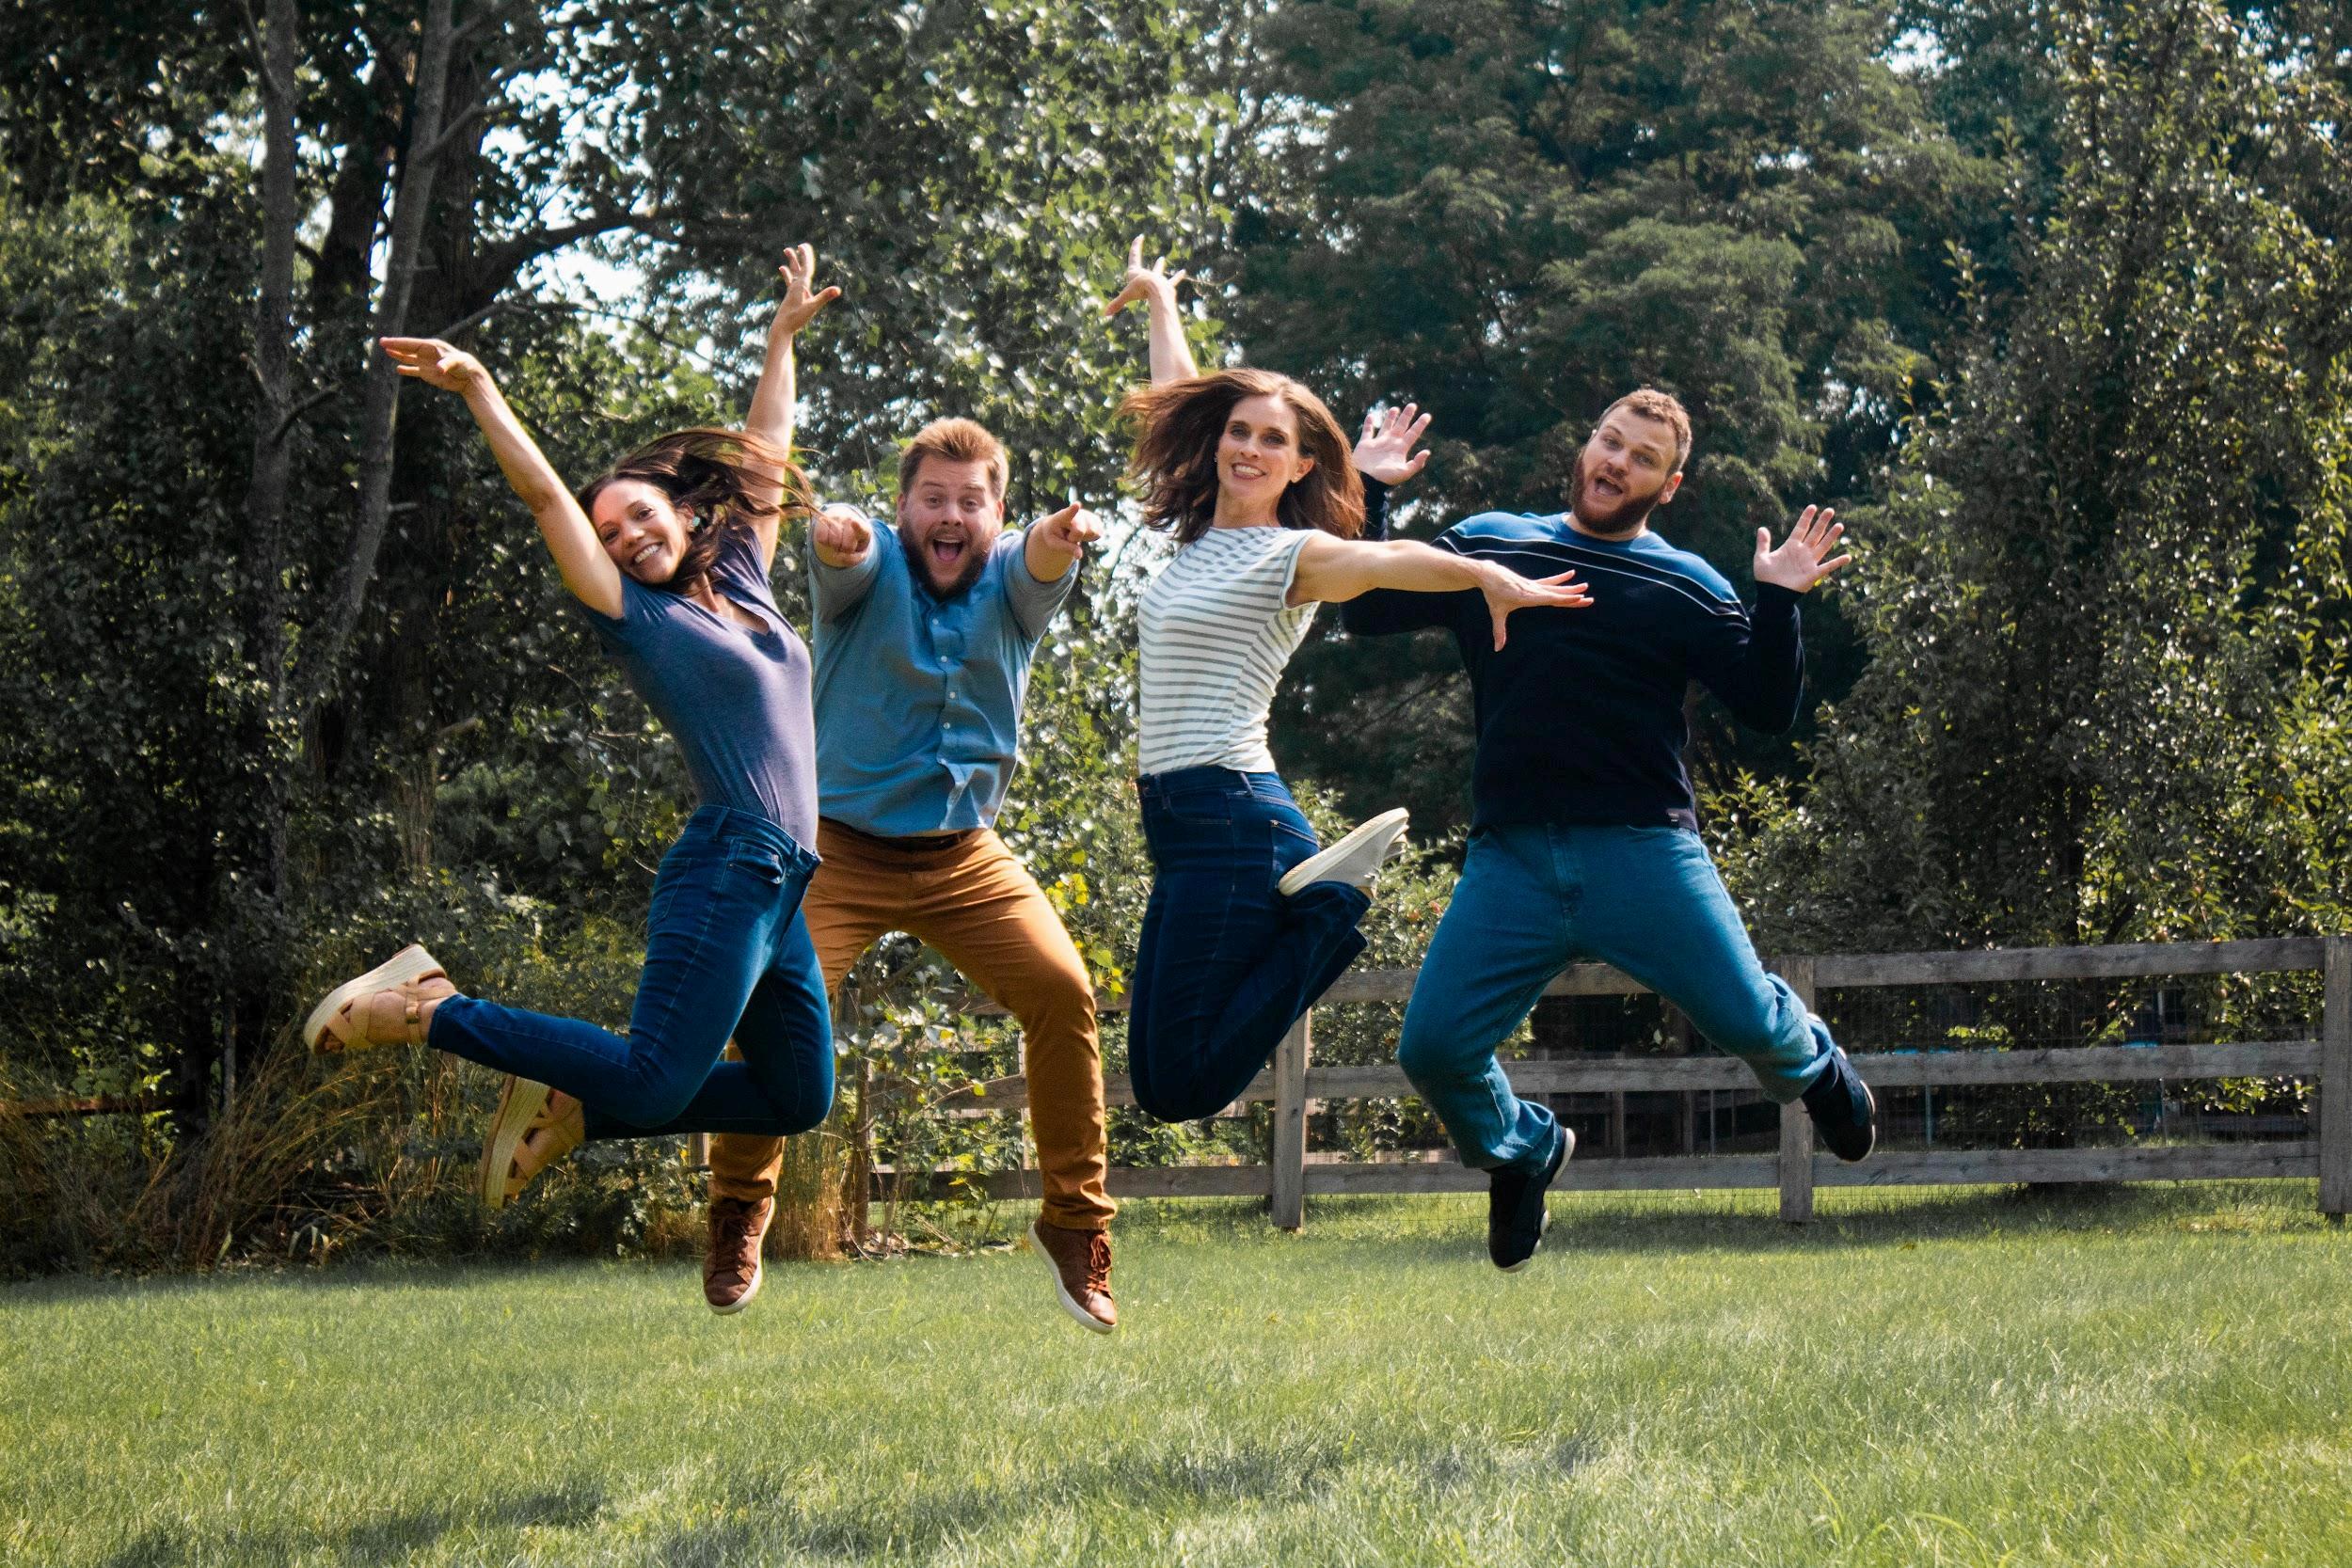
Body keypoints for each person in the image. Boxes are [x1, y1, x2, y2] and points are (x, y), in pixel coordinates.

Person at [303, 247, 847, 1213]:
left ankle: (578, 1108)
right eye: (610, 535)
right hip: (729, 866)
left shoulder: (743, 576)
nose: (627, 537)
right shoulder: (640, 618)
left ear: (684, 512)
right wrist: (478, 387)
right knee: (652, 1075)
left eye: (639, 516)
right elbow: (546, 497)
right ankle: (429, 1009)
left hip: (783, 885)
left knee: (798, 1095)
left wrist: (778, 341)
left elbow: (767, 443)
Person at [1338, 386, 1877, 1272]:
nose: (1617, 463)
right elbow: (1365, 607)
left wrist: (1779, 600)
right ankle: (1522, 1147)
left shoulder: (1685, 584)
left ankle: (1813, 1062)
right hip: (1511, 859)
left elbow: (1767, 707)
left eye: (1642, 459)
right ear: (1587, 444)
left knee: (1751, 1021)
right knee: (1433, 1048)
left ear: (1668, 486)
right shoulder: (1491, 544)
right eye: (1610, 441)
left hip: (1645, 853)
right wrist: (1371, 492)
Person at [1104, 238, 1590, 1125]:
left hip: (1231, 815)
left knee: (1184, 1086)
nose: (1249, 448)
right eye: (1239, 431)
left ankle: (1330, 907)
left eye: (1273, 440)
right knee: (1152, 1069)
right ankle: (1321, 899)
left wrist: (1484, 575)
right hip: (1179, 823)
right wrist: (1160, 301)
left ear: (1300, 465)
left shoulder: (1294, 555)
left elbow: (1389, 560)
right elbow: (1179, 391)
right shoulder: (1202, 538)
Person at [697, 416, 1121, 1330]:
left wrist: (1060, 534)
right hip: (838, 851)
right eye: (933, 498)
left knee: (1062, 990)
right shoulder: (873, 565)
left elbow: (1042, 558)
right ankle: (738, 1205)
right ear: (904, 507)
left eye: (971, 501)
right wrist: (837, 534)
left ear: (996, 514)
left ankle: (1075, 1223)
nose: (951, 515)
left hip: (965, 857)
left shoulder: (1013, 583)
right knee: (767, 1008)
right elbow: (841, 550)